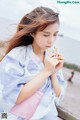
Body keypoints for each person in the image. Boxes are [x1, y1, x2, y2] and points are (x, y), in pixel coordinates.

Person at [0, 6, 67, 120]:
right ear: (32, 33)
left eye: (55, 34)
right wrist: (46, 72)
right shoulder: (17, 56)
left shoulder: (51, 57)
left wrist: (54, 73)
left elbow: (58, 96)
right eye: (46, 34)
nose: (51, 40)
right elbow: (12, 97)